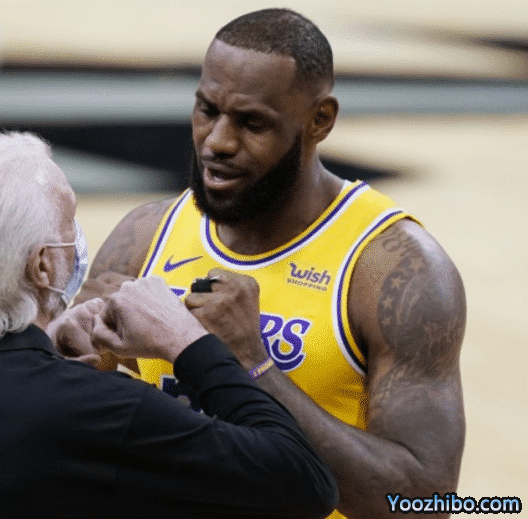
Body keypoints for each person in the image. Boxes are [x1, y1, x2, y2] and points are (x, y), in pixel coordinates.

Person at [77, 8, 466, 519]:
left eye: (252, 122)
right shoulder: (144, 237)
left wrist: (249, 364)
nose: (218, 141)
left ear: (320, 120)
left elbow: (423, 502)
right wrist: (70, 358)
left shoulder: (392, 270)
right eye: (207, 110)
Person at [0, 132, 338, 519]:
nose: (78, 239)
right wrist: (190, 342)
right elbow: (303, 483)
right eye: (69, 225)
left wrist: (43, 347)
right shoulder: (95, 410)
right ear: (42, 266)